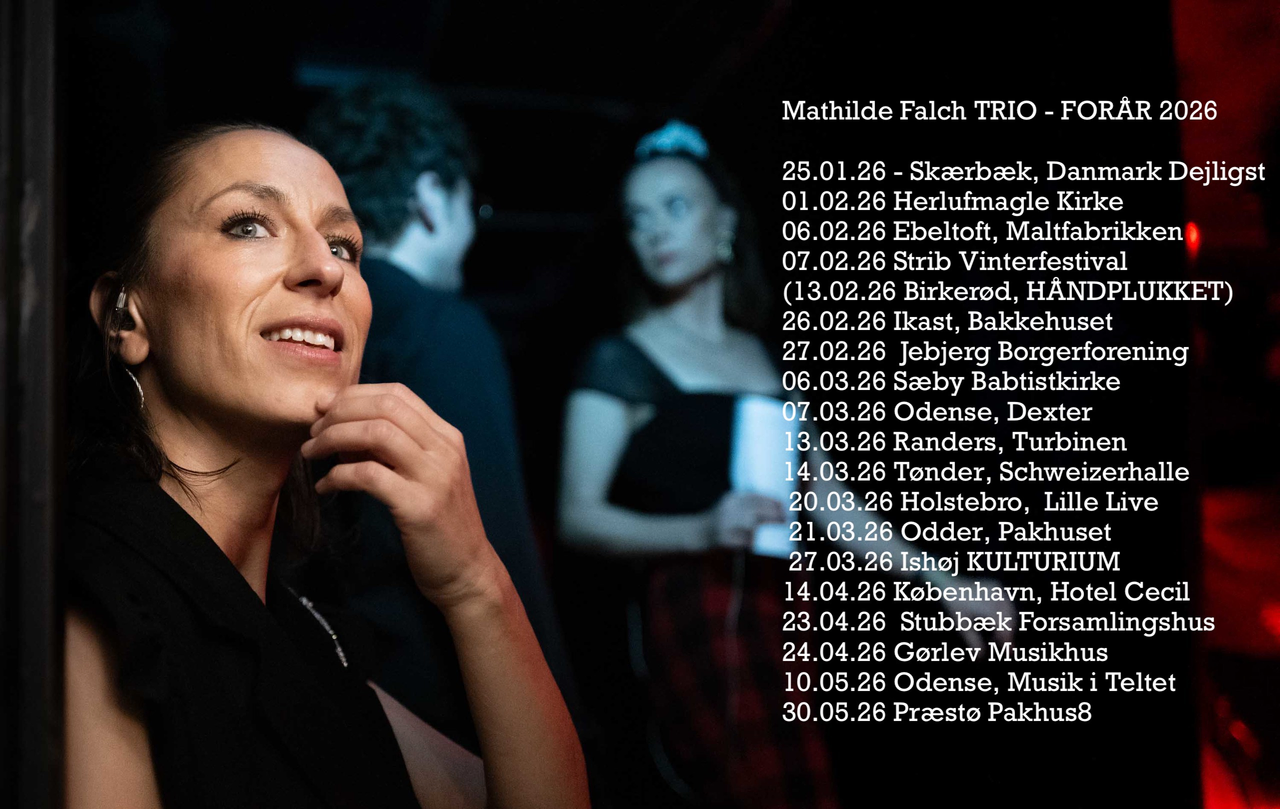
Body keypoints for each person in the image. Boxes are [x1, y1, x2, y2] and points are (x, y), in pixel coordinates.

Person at [64, 122, 590, 809]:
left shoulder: (308, 633)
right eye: (249, 225)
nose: (328, 268)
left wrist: (474, 581)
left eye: (343, 244)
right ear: (126, 317)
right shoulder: (93, 589)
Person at [558, 121, 1009, 808]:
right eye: (638, 218)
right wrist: (700, 530)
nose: (656, 230)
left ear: (724, 222)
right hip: (694, 608)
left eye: (675, 206)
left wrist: (941, 578)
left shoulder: (764, 358)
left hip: (783, 603)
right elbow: (577, 518)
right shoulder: (620, 359)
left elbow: (826, 498)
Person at [302, 81, 581, 751]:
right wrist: (565, 731)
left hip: (350, 691)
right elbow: (497, 547)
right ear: (430, 196)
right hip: (456, 702)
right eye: (471, 205)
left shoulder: (315, 326)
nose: (474, 228)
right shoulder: (441, 329)